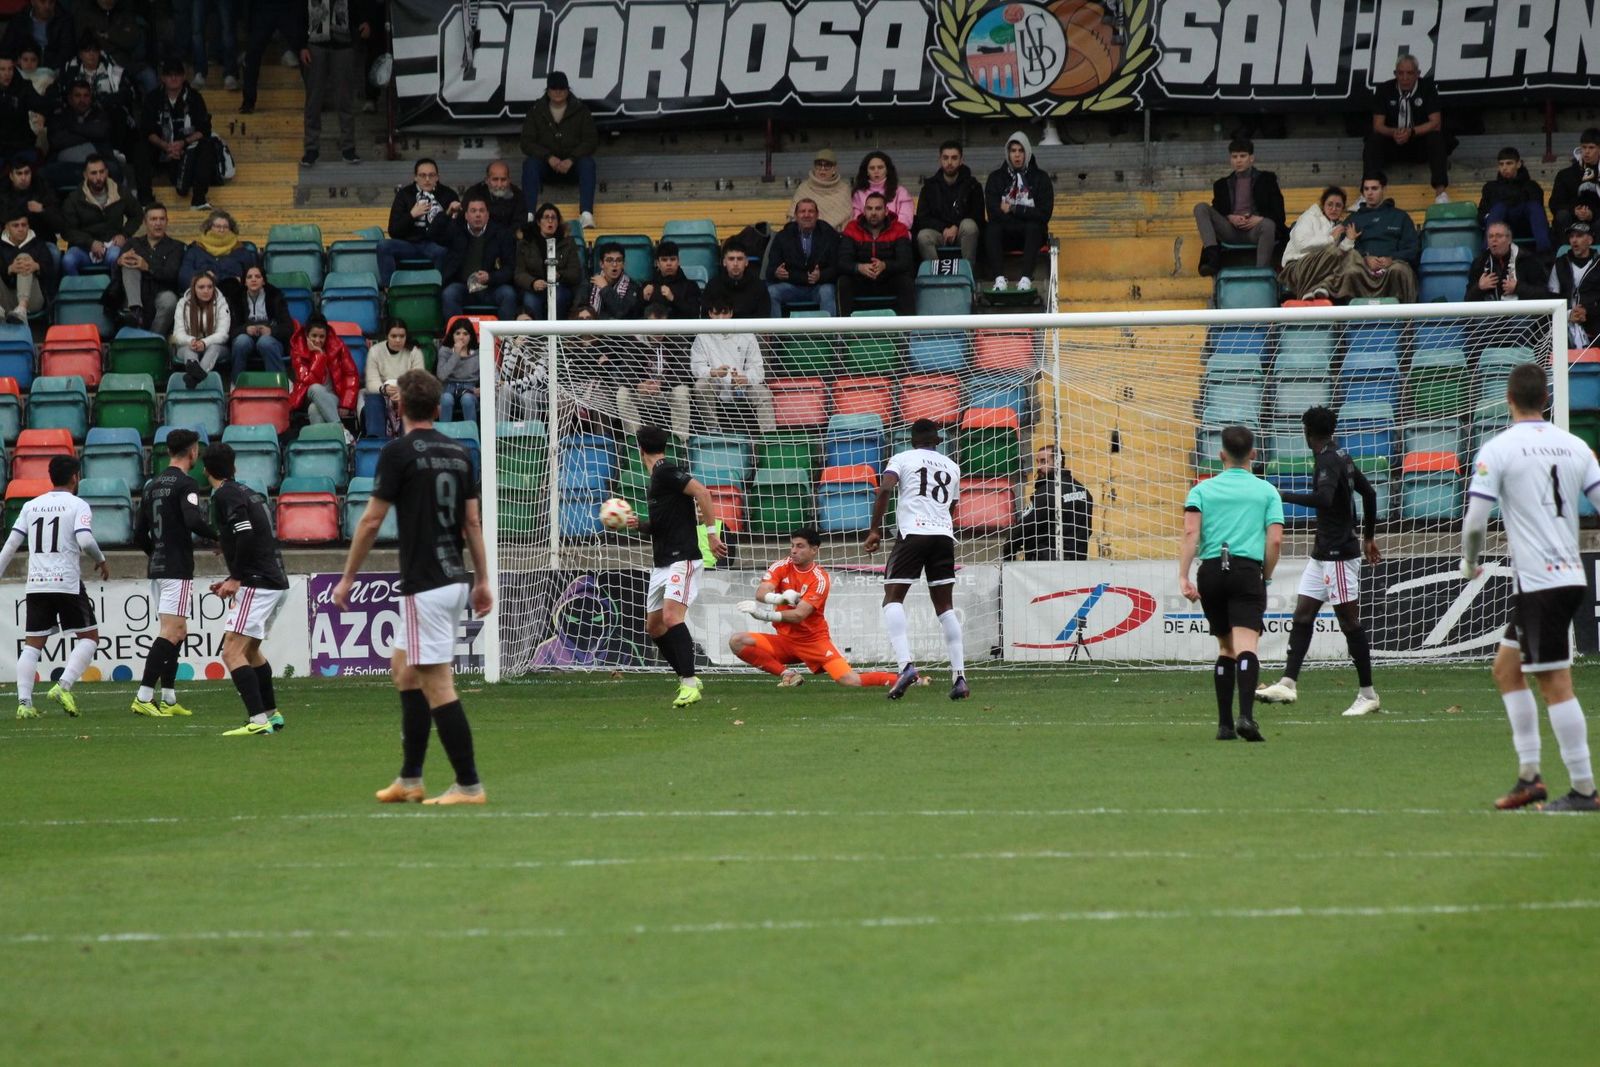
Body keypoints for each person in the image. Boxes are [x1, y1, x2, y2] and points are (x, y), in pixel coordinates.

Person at [335, 369, 492, 803]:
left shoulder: (397, 452)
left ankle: (468, 784)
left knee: (437, 683)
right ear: (439, 408)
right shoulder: (461, 452)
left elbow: (370, 520)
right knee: (404, 672)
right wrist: (481, 579)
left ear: (399, 407)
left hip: (426, 582)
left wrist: (348, 577)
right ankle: (410, 780)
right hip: (451, 578)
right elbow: (472, 522)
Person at [1462, 363, 1600, 812]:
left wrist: (1470, 563)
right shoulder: (1577, 446)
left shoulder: (1498, 449)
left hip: (1542, 582)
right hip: (1567, 575)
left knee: (1555, 682)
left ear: (1508, 399)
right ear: (1547, 399)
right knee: (1506, 670)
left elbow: (1475, 521)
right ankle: (1530, 778)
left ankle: (1583, 789)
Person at [1255, 406, 1383, 718]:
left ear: (1306, 432)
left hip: (1338, 554)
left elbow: (1325, 500)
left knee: (1349, 622)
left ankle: (1368, 694)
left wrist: (1282, 495)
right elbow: (1370, 494)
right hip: (1323, 554)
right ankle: (1288, 682)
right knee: (1302, 615)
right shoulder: (1342, 455)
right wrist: (1368, 537)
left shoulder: (1328, 459)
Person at [1178, 425, 1284, 743]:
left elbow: (1190, 534)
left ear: (1221, 454)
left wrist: (1183, 576)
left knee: (1226, 648)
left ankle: (1224, 726)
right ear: (1253, 454)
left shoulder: (1201, 490)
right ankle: (1246, 718)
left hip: (1211, 571)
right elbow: (1276, 540)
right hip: (1246, 570)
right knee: (1247, 646)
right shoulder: (1267, 491)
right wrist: (1264, 575)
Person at [862, 417, 968, 701]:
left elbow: (885, 488)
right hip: (944, 536)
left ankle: (906, 666)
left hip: (914, 533)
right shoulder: (952, 466)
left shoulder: (902, 458)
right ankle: (960, 677)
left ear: (911, 440)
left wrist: (875, 530)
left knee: (892, 598)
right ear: (938, 440)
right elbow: (952, 505)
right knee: (945, 606)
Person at [622, 424, 727, 708]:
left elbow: (703, 493)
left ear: (640, 449)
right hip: (662, 562)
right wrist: (638, 524)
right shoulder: (658, 477)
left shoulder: (666, 470)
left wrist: (711, 534)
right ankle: (685, 673)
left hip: (683, 558)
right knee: (655, 628)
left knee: (671, 618)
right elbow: (662, 524)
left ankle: (690, 684)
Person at [0, 454, 110, 720]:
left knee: (32, 645)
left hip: (36, 583)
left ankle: (24, 704)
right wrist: (101, 560)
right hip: (66, 583)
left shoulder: (31, 506)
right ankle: (63, 686)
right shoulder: (78, 504)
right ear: (75, 477)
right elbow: (85, 540)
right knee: (89, 638)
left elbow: (10, 546)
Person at [731, 529, 901, 689]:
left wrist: (763, 615)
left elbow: (799, 615)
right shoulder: (781, 566)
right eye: (792, 545)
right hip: (785, 641)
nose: (794, 551)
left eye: (800, 546)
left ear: (814, 550)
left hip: (812, 641)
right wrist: (780, 598)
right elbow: (761, 593)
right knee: (737, 641)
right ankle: (788, 674)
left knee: (850, 680)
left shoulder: (819, 579)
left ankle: (907, 679)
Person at [203, 443, 290, 737]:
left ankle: (258, 721)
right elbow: (250, 533)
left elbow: (246, 533)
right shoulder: (246, 491)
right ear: (234, 467)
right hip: (273, 580)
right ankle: (271, 715)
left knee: (232, 651)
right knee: (251, 651)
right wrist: (233, 573)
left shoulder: (225, 494)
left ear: (206, 471)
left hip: (257, 583)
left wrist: (236, 577)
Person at [130, 428, 217, 719]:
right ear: (193, 451)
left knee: (178, 633)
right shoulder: (186, 484)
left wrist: (156, 554)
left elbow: (138, 534)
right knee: (173, 632)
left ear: (168, 452)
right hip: (176, 568)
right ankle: (144, 696)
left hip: (157, 567)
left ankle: (168, 697)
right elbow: (193, 519)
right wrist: (219, 538)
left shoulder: (151, 485)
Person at [1364, 53, 1453, 204]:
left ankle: (1440, 193)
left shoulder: (1428, 88)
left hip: (1418, 144)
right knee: (1373, 139)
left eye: (1410, 73)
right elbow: (1378, 125)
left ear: (1418, 74)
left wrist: (1411, 132)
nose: (1405, 78)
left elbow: (1435, 122)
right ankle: (1365, 192)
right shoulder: (1384, 89)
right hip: (1393, 143)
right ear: (1395, 74)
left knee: (1436, 137)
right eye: (1401, 73)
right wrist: (1395, 132)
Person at [295, 0, 374, 166]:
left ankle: (348, 148)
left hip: (343, 44)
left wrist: (364, 21)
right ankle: (311, 149)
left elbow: (359, 6)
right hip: (315, 44)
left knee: (344, 99)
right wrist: (301, 45)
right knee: (314, 100)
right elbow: (298, 12)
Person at [1194, 136, 1285, 275]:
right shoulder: (1221, 184)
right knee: (1200, 208)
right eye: (1234, 156)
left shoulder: (1267, 179)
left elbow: (1279, 213)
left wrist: (1259, 219)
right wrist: (1230, 217)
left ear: (1251, 158)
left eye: (1243, 156)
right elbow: (1217, 210)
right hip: (1230, 230)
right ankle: (1212, 256)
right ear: (1230, 160)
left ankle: (1261, 273)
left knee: (1268, 224)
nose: (1238, 160)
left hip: (1255, 230)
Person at [518, 71, 597, 227]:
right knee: (530, 164)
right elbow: (526, 142)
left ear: (568, 90)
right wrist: (548, 157)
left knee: (588, 164)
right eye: (554, 88)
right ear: (547, 90)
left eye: (562, 88)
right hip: (546, 167)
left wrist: (572, 159)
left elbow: (591, 141)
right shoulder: (536, 111)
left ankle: (586, 214)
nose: (558, 92)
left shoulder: (581, 110)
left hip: (573, 167)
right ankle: (529, 215)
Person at [140, 57, 217, 210]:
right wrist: (166, 146)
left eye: (177, 74)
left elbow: (204, 129)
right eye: (169, 74)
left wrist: (184, 143)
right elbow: (147, 130)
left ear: (183, 77)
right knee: (140, 148)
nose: (173, 78)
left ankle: (199, 199)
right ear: (162, 78)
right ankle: (145, 200)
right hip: (161, 149)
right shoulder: (153, 98)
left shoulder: (194, 97)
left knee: (207, 145)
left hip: (188, 149)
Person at [984, 131, 1054, 291]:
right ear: (1008, 153)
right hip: (1006, 232)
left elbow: (1044, 214)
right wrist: (1027, 212)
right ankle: (999, 279)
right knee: (991, 228)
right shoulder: (995, 178)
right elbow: (993, 212)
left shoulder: (1041, 178)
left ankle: (1026, 279)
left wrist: (1014, 208)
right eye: (1013, 151)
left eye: (1021, 151)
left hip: (1032, 235)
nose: (1017, 155)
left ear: (1027, 152)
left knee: (1034, 227)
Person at [690, 298, 772, 434]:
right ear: (710, 314)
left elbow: (757, 368)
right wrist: (712, 372)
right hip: (716, 384)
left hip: (743, 386)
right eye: (716, 314)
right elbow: (696, 366)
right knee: (701, 386)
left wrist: (745, 378)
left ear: (731, 313)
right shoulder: (702, 336)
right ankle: (713, 429)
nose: (721, 318)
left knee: (763, 393)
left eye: (724, 313)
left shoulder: (747, 334)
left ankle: (769, 436)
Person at [1335, 171, 1419, 302]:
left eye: (1374, 188)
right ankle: (1351, 322)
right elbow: (1343, 251)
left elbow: (1413, 250)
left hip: (1393, 266)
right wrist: (1364, 259)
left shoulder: (1400, 217)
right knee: (1350, 272)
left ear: (1384, 189)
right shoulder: (1353, 219)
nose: (1369, 193)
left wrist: (1392, 259)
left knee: (1399, 269)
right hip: (1362, 268)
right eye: (1366, 189)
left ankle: (1405, 321)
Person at [1003, 444, 1093, 561]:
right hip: (1077, 565)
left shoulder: (1046, 493)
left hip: (1045, 566)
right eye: (1038, 462)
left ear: (1057, 462)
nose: (1039, 467)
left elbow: (1022, 529)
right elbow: (1087, 531)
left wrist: (1008, 554)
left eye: (1044, 461)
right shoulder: (1084, 492)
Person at [377, 159, 457, 286]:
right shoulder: (404, 194)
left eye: (431, 175)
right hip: (409, 244)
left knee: (444, 251)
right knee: (383, 246)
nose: (427, 179)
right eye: (422, 175)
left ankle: (440, 291)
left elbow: (454, 232)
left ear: (437, 177)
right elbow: (393, 231)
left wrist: (448, 215)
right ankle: (390, 291)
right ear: (415, 177)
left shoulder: (448, 195)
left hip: (435, 245)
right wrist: (412, 215)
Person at [108, 200, 182, 334]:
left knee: (170, 300)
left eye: (162, 219)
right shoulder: (132, 243)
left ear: (167, 221)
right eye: (153, 219)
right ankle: (135, 312)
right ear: (145, 222)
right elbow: (116, 276)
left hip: (160, 293)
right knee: (129, 264)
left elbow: (171, 274)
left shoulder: (176, 246)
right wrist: (118, 263)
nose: (158, 223)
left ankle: (152, 339)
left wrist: (148, 267)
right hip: (133, 295)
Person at [616, 304, 690, 439]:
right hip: (643, 392)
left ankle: (682, 442)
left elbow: (683, 371)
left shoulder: (677, 339)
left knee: (682, 391)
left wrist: (661, 384)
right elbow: (626, 371)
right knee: (623, 394)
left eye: (662, 326)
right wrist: (639, 385)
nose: (658, 331)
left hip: (666, 391)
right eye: (654, 326)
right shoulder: (634, 340)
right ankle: (633, 440)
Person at [837, 191, 914, 315]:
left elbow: (905, 262)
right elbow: (842, 261)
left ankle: (909, 331)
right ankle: (843, 331)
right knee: (843, 281)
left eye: (878, 208)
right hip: (861, 280)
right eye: (869, 208)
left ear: (886, 211)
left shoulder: (899, 229)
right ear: (864, 210)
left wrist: (885, 265)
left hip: (888, 280)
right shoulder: (852, 228)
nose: (873, 213)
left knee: (906, 281)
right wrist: (859, 267)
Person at [441, 193, 516, 320]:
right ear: (466, 215)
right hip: (463, 287)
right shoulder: (456, 231)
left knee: (508, 294)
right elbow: (433, 234)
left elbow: (510, 267)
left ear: (487, 215)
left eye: (481, 211)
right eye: (473, 211)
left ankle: (505, 338)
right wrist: (447, 214)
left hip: (492, 288)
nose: (478, 215)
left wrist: (491, 277)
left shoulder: (502, 234)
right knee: (449, 294)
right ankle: (458, 336)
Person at [60, 153, 137, 276]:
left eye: (101, 172)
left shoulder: (121, 192)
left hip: (112, 246)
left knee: (116, 257)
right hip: (83, 248)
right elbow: (67, 230)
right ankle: (77, 293)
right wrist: (90, 243)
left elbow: (137, 215)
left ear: (107, 172)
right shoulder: (74, 198)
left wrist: (124, 234)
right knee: (68, 260)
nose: (98, 177)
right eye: (94, 173)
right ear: (85, 175)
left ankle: (114, 293)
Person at [913, 140, 985, 264]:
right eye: (945, 158)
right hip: (939, 234)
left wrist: (956, 227)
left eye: (954, 158)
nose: (949, 162)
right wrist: (943, 229)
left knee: (969, 225)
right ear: (940, 159)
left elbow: (978, 216)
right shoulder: (929, 187)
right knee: (923, 236)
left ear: (961, 160)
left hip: (963, 234)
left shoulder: (973, 185)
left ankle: (967, 275)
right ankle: (936, 276)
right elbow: (922, 218)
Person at [1278, 186, 1355, 301]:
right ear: (1323, 205)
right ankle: (1313, 289)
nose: (1334, 209)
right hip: (1296, 266)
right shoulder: (1309, 217)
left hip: (1321, 268)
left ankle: (1319, 289)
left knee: (1348, 261)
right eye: (1330, 204)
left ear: (1343, 208)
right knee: (1335, 255)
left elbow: (1338, 255)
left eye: (1338, 205)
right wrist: (1330, 238)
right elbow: (1301, 244)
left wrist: (1349, 239)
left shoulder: (1337, 226)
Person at [765, 199, 838, 316]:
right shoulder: (782, 237)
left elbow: (837, 267)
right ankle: (775, 333)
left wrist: (821, 275)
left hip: (819, 286)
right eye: (802, 211)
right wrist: (776, 272)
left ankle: (828, 333)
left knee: (827, 291)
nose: (806, 215)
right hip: (792, 286)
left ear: (817, 215)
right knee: (772, 292)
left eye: (811, 211)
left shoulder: (829, 235)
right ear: (795, 215)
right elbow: (770, 269)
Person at [288, 315, 358, 433]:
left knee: (314, 409)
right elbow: (307, 381)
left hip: (332, 396)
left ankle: (323, 446)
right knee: (315, 388)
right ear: (307, 335)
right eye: (314, 336)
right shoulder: (298, 350)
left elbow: (351, 374)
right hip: (307, 395)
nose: (318, 340)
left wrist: (346, 404)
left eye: (322, 337)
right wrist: (319, 356)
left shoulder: (338, 346)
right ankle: (341, 430)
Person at [1479, 146, 1552, 255]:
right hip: (1500, 228)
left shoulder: (1532, 187)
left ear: (1518, 164)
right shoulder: (1490, 188)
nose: (1504, 168)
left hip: (1526, 228)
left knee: (1533, 206)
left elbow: (1538, 213)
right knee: (1499, 208)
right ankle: (1487, 253)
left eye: (1509, 163)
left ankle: (1545, 252)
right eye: (1501, 164)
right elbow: (1482, 213)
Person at [514, 201, 581, 319]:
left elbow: (575, 272)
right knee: (531, 300)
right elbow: (519, 273)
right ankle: (537, 336)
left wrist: (560, 275)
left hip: (560, 286)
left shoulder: (568, 242)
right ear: (539, 222)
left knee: (558, 297)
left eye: (554, 218)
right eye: (546, 217)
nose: (550, 221)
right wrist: (532, 282)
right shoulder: (525, 243)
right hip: (534, 287)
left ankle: (557, 334)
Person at [363, 317, 425, 437]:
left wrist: (403, 392)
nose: (398, 340)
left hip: (406, 392)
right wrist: (384, 389)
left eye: (402, 336)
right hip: (382, 393)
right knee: (372, 398)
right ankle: (376, 442)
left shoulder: (414, 352)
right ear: (387, 336)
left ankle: (407, 440)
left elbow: (418, 380)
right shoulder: (375, 351)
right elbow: (371, 381)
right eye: (394, 336)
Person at [225, 265, 291, 376]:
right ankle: (236, 384)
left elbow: (288, 328)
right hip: (247, 340)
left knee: (265, 342)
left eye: (257, 276)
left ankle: (278, 382)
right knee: (241, 341)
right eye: (249, 277)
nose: (253, 279)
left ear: (263, 281)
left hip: (271, 341)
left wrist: (271, 331)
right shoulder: (236, 299)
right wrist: (245, 329)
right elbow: (231, 330)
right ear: (245, 282)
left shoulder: (276, 297)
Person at [240, 0, 302, 114]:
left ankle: (316, 99)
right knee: (252, 56)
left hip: (286, 8)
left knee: (303, 49)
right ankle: (248, 102)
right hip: (263, 9)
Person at [171, 270, 229, 385]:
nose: (206, 290)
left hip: (215, 347)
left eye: (209, 287)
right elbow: (177, 334)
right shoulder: (183, 303)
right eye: (201, 287)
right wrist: (191, 340)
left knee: (214, 348)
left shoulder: (222, 303)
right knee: (189, 349)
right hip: (188, 346)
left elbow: (223, 334)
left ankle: (194, 378)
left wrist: (204, 342)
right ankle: (196, 374)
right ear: (194, 288)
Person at [1466, 221, 1548, 302]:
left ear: (1509, 239)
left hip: (1522, 313)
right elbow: (1467, 299)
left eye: (1499, 236)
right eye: (1490, 236)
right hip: (1490, 313)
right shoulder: (1480, 262)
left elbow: (1544, 294)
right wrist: (1479, 288)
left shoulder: (1527, 260)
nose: (1494, 240)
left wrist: (1518, 288)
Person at [1550, 221, 1600, 350]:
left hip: (1594, 319)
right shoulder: (1560, 264)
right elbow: (1552, 297)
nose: (1574, 240)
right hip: (1565, 319)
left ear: (1589, 240)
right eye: (1572, 236)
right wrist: (1568, 314)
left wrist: (1587, 311)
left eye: (1579, 236)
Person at [0, 203, 54, 321]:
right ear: (7, 228)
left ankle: (22, 309)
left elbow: (51, 271)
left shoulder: (38, 244)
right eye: (16, 226)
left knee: (24, 258)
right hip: (5, 300)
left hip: (32, 299)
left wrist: (37, 266)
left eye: (24, 225)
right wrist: (9, 269)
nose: (20, 229)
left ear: (28, 226)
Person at [179, 208, 255, 288]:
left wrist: (241, 281)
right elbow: (183, 277)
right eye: (218, 226)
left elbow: (253, 276)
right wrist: (203, 275)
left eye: (225, 227)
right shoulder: (195, 250)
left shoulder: (241, 251)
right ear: (209, 227)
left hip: (232, 295)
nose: (221, 230)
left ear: (231, 229)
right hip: (202, 294)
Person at [1549, 129, 1600, 237]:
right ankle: (1563, 252)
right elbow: (1555, 204)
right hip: (1571, 219)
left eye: (1591, 147)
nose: (1586, 151)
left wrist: (1592, 214)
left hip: (1596, 220)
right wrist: (1574, 211)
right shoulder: (1565, 175)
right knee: (1562, 216)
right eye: (1584, 147)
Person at [0, 0, 76, 73]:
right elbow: (6, 51)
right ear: (32, 1)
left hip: (54, 74)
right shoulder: (19, 20)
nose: (47, 6)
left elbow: (67, 53)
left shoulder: (65, 21)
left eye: (51, 2)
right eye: (42, 1)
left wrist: (46, 71)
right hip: (23, 72)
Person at [700, 243, 769, 320]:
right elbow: (705, 317)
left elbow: (764, 317)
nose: (735, 264)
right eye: (731, 259)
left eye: (740, 259)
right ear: (724, 262)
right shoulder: (713, 286)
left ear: (746, 262)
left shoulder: (759, 286)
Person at [576, 240, 642, 319]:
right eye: (609, 260)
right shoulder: (589, 283)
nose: (614, 265)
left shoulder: (632, 286)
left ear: (623, 264)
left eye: (618, 260)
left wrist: (605, 288)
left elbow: (622, 313)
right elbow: (579, 311)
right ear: (601, 264)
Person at [850, 150, 914, 231]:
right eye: (872, 168)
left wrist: (885, 233)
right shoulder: (857, 194)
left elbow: (906, 221)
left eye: (880, 167)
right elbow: (856, 221)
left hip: (896, 237)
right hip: (865, 238)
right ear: (867, 172)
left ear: (887, 170)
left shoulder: (901, 192)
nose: (876, 171)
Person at [789, 148, 851, 230]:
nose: (822, 169)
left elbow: (847, 219)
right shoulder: (804, 188)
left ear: (834, 169)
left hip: (835, 236)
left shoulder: (844, 189)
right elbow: (794, 217)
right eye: (819, 165)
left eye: (827, 165)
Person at [0, 54, 45, 162]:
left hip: (21, 144)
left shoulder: (24, 87)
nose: (7, 74)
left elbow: (42, 104)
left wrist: (42, 115)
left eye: (10, 69)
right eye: (2, 69)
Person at [641, 240, 702, 320]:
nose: (669, 263)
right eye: (664, 260)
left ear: (678, 261)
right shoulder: (647, 287)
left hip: (680, 331)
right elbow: (635, 316)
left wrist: (673, 299)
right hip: (653, 331)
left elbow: (695, 314)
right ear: (657, 263)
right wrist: (643, 299)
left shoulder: (690, 286)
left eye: (672, 259)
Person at [435, 318, 480, 424]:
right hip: (448, 388)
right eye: (458, 333)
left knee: (467, 400)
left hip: (470, 389)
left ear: (471, 336)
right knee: (446, 399)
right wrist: (456, 354)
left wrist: (481, 389)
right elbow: (441, 375)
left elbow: (488, 374)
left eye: (465, 333)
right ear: (452, 335)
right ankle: (444, 436)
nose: (461, 337)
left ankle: (471, 435)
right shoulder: (445, 351)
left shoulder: (478, 352)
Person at [460, 159, 523, 233]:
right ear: (487, 180)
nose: (499, 185)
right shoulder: (474, 192)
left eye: (503, 180)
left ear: (509, 180)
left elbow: (520, 222)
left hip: (507, 238)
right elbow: (465, 219)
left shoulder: (517, 194)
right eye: (495, 180)